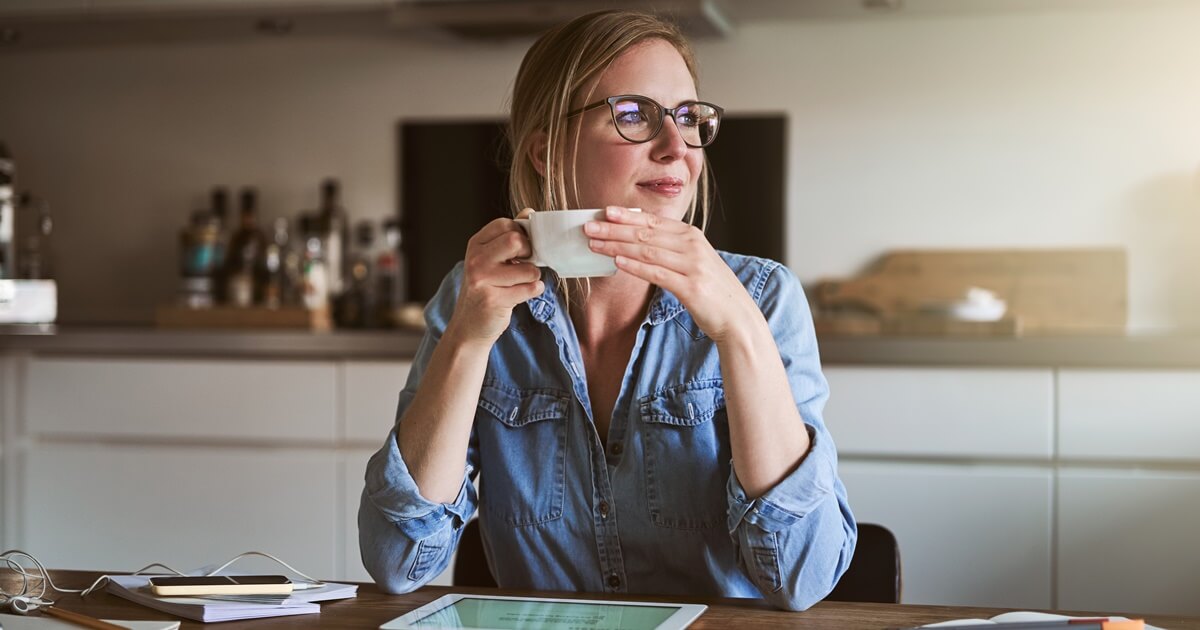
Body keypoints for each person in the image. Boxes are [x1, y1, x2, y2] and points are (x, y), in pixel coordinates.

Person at [359, 9, 857, 611]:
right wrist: (467, 341)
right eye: (633, 116)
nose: (678, 148)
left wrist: (739, 329)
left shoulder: (765, 297)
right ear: (545, 152)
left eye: (688, 118)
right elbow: (397, 562)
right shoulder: (472, 300)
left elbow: (801, 578)